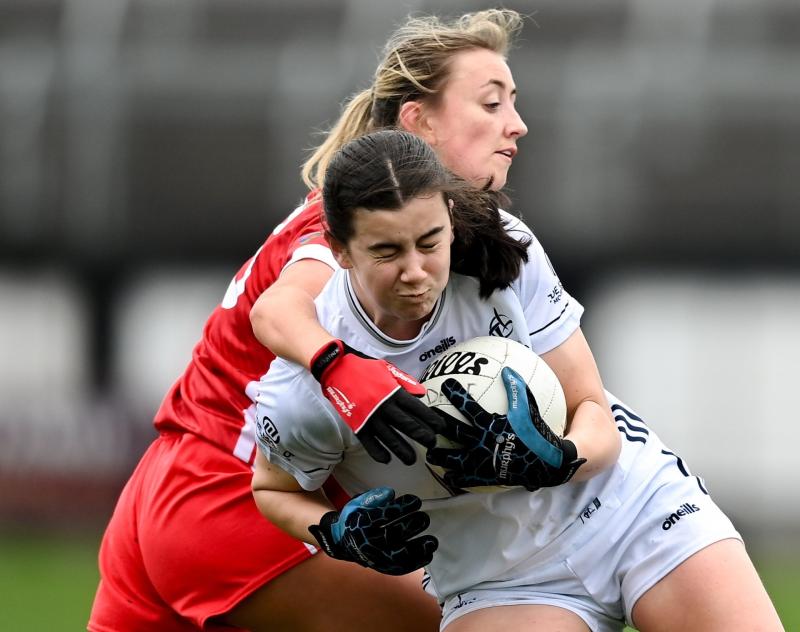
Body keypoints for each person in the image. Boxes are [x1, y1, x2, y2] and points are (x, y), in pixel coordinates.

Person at [89, 8, 532, 631]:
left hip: (172, 491)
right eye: (491, 103)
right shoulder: (350, 229)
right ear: (418, 120)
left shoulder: (408, 232)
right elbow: (282, 309)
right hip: (232, 496)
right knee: (501, 616)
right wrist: (341, 369)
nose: (516, 124)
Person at [251, 129, 784, 632]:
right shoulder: (304, 389)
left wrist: (556, 458)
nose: (415, 270)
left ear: (451, 220)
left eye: (430, 241)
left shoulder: (500, 256)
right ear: (340, 251)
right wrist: (335, 533)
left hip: (630, 510)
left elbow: (594, 415)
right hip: (498, 580)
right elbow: (271, 489)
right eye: (387, 252)